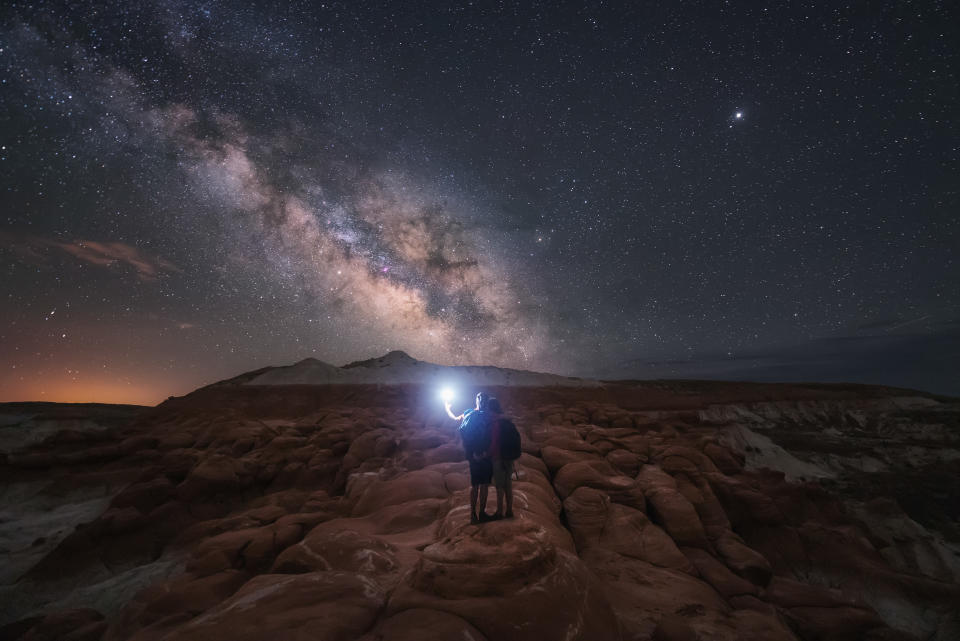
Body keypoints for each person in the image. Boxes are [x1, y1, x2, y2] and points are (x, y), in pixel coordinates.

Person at [446, 391, 493, 524]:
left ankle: (473, 515)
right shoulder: (489, 416)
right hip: (485, 455)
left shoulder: (468, 413)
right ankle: (482, 513)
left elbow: (455, 419)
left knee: (475, 485)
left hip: (472, 454)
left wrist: (447, 408)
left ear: (476, 401)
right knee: (484, 486)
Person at [487, 397, 515, 519]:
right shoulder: (507, 420)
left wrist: (486, 454)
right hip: (509, 458)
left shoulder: (495, 422)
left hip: (498, 458)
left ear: (490, 408)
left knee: (499, 486)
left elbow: (494, 443)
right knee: (508, 485)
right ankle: (509, 511)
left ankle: (499, 512)